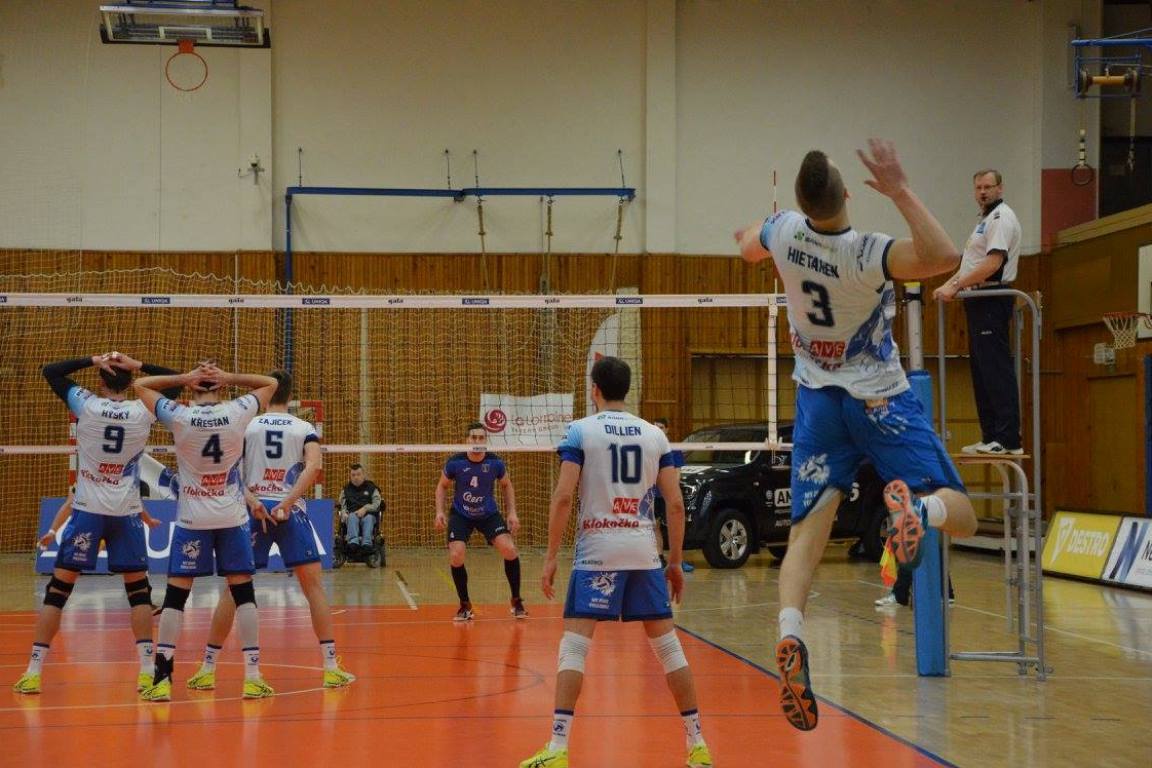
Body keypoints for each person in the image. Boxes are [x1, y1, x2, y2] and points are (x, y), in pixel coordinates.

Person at [734, 140, 978, 731]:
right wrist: (899, 189)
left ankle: (791, 631)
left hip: (819, 404)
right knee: (964, 514)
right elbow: (945, 255)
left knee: (805, 535)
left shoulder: (784, 233)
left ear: (801, 203)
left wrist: (763, 230)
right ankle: (919, 509)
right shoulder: (869, 252)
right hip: (880, 398)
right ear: (847, 194)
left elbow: (745, 246)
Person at [520, 357, 713, 768]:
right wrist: (675, 562)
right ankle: (698, 744)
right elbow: (675, 505)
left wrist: (551, 557)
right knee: (668, 648)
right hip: (642, 551)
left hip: (597, 551)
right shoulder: (655, 435)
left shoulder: (580, 430)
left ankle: (557, 748)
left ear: (594, 389)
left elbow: (563, 497)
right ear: (628, 389)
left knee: (574, 647)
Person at [13, 352, 176, 695]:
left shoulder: (85, 404)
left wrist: (92, 359)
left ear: (101, 381)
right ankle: (147, 671)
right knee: (139, 594)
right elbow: (174, 381)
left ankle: (33, 672)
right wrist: (138, 365)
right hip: (126, 513)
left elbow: (51, 370)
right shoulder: (143, 410)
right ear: (130, 383)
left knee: (57, 593)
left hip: (88, 510)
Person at [186, 370, 355, 691]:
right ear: (291, 395)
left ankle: (207, 669)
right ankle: (331, 668)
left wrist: (251, 500)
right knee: (314, 589)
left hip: (253, 510)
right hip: (290, 510)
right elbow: (314, 466)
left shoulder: (247, 425)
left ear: (266, 393)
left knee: (233, 590)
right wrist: (288, 502)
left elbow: (227, 469)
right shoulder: (304, 427)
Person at [134, 360, 278, 702]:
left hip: (192, 519)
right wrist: (229, 377)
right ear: (220, 387)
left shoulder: (179, 415)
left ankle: (162, 678)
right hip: (231, 517)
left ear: (194, 388)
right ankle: (252, 676)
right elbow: (270, 383)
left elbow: (140, 387)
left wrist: (185, 377)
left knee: (175, 597)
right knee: (243, 594)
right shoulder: (237, 410)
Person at [932, 169, 1023, 456]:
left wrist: (956, 285)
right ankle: (991, 435)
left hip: (991, 297)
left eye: (988, 186)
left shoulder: (1000, 218)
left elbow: (992, 264)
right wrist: (948, 285)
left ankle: (1008, 438)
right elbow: (971, 265)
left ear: (1000, 188)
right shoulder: (984, 221)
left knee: (995, 367)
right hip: (977, 298)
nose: (983, 192)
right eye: (978, 187)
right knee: (982, 369)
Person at [434, 421, 525, 621]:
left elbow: (507, 485)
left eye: (481, 438)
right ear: (467, 440)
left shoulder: (495, 462)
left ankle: (516, 601)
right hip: (461, 514)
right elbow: (442, 486)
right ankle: (465, 605)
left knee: (509, 549)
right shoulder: (455, 462)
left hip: (488, 514)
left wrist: (512, 513)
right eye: (473, 438)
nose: (477, 441)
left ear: (486, 441)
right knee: (456, 555)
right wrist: (440, 512)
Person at [653, 418, 693, 573]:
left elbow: (677, 473)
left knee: (674, 527)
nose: (658, 430)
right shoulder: (649, 447)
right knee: (654, 525)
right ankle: (660, 558)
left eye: (661, 427)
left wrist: (670, 490)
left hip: (668, 495)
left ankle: (678, 560)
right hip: (653, 494)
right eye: (655, 427)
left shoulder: (673, 449)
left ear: (667, 429)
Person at [338, 463, 382, 551]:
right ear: (350, 476)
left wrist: (365, 508)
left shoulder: (372, 488)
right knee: (351, 516)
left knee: (369, 518)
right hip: (352, 515)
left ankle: (367, 543)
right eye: (353, 475)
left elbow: (377, 503)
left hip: (369, 514)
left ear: (363, 475)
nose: (356, 477)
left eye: (358, 474)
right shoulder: (345, 490)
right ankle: (353, 542)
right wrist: (344, 513)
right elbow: (342, 505)